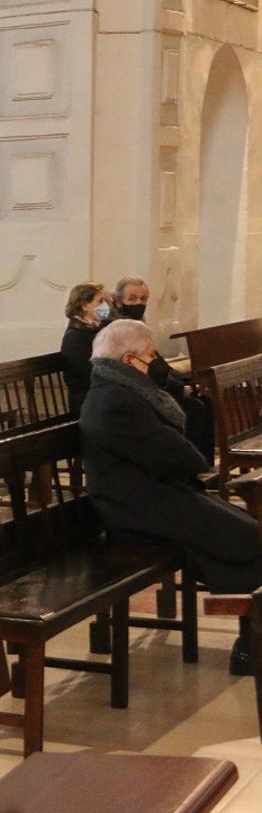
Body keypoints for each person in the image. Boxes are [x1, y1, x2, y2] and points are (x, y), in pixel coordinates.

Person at [79, 320, 262, 672]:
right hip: (134, 510)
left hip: (155, 494)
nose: (158, 361)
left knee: (247, 529)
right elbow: (180, 455)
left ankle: (251, 641)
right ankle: (248, 648)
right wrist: (191, 454)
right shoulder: (115, 400)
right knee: (245, 537)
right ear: (129, 360)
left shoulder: (123, 389)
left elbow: (178, 453)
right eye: (152, 355)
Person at [112, 275, 215, 460]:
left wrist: (183, 382)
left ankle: (204, 464)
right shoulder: (119, 331)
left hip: (155, 386)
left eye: (143, 299)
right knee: (193, 407)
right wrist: (178, 388)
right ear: (119, 302)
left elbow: (158, 363)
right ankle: (188, 466)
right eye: (132, 298)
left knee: (205, 400)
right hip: (139, 393)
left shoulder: (141, 327)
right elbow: (143, 369)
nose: (138, 303)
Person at [59, 281, 111, 417]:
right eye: (100, 302)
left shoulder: (99, 328)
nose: (105, 306)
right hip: (86, 401)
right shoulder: (75, 337)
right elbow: (86, 373)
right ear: (85, 305)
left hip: (100, 394)